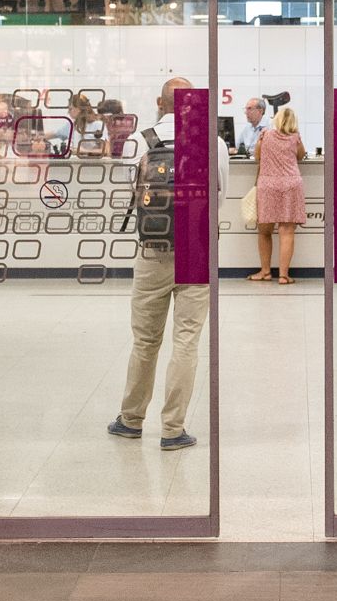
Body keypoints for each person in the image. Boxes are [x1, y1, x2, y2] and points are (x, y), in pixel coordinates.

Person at [110, 76, 229, 452]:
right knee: (186, 341)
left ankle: (130, 420)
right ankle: (173, 429)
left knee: (145, 341)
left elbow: (128, 196)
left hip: (151, 251)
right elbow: (219, 196)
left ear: (158, 104)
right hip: (196, 248)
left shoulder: (138, 142)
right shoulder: (214, 143)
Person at [249, 104, 306, 286]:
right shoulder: (295, 137)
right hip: (290, 184)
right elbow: (301, 156)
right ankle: (283, 275)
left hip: (268, 185)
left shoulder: (265, 134)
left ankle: (265, 272)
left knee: (265, 231)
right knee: (287, 231)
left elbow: (257, 156)